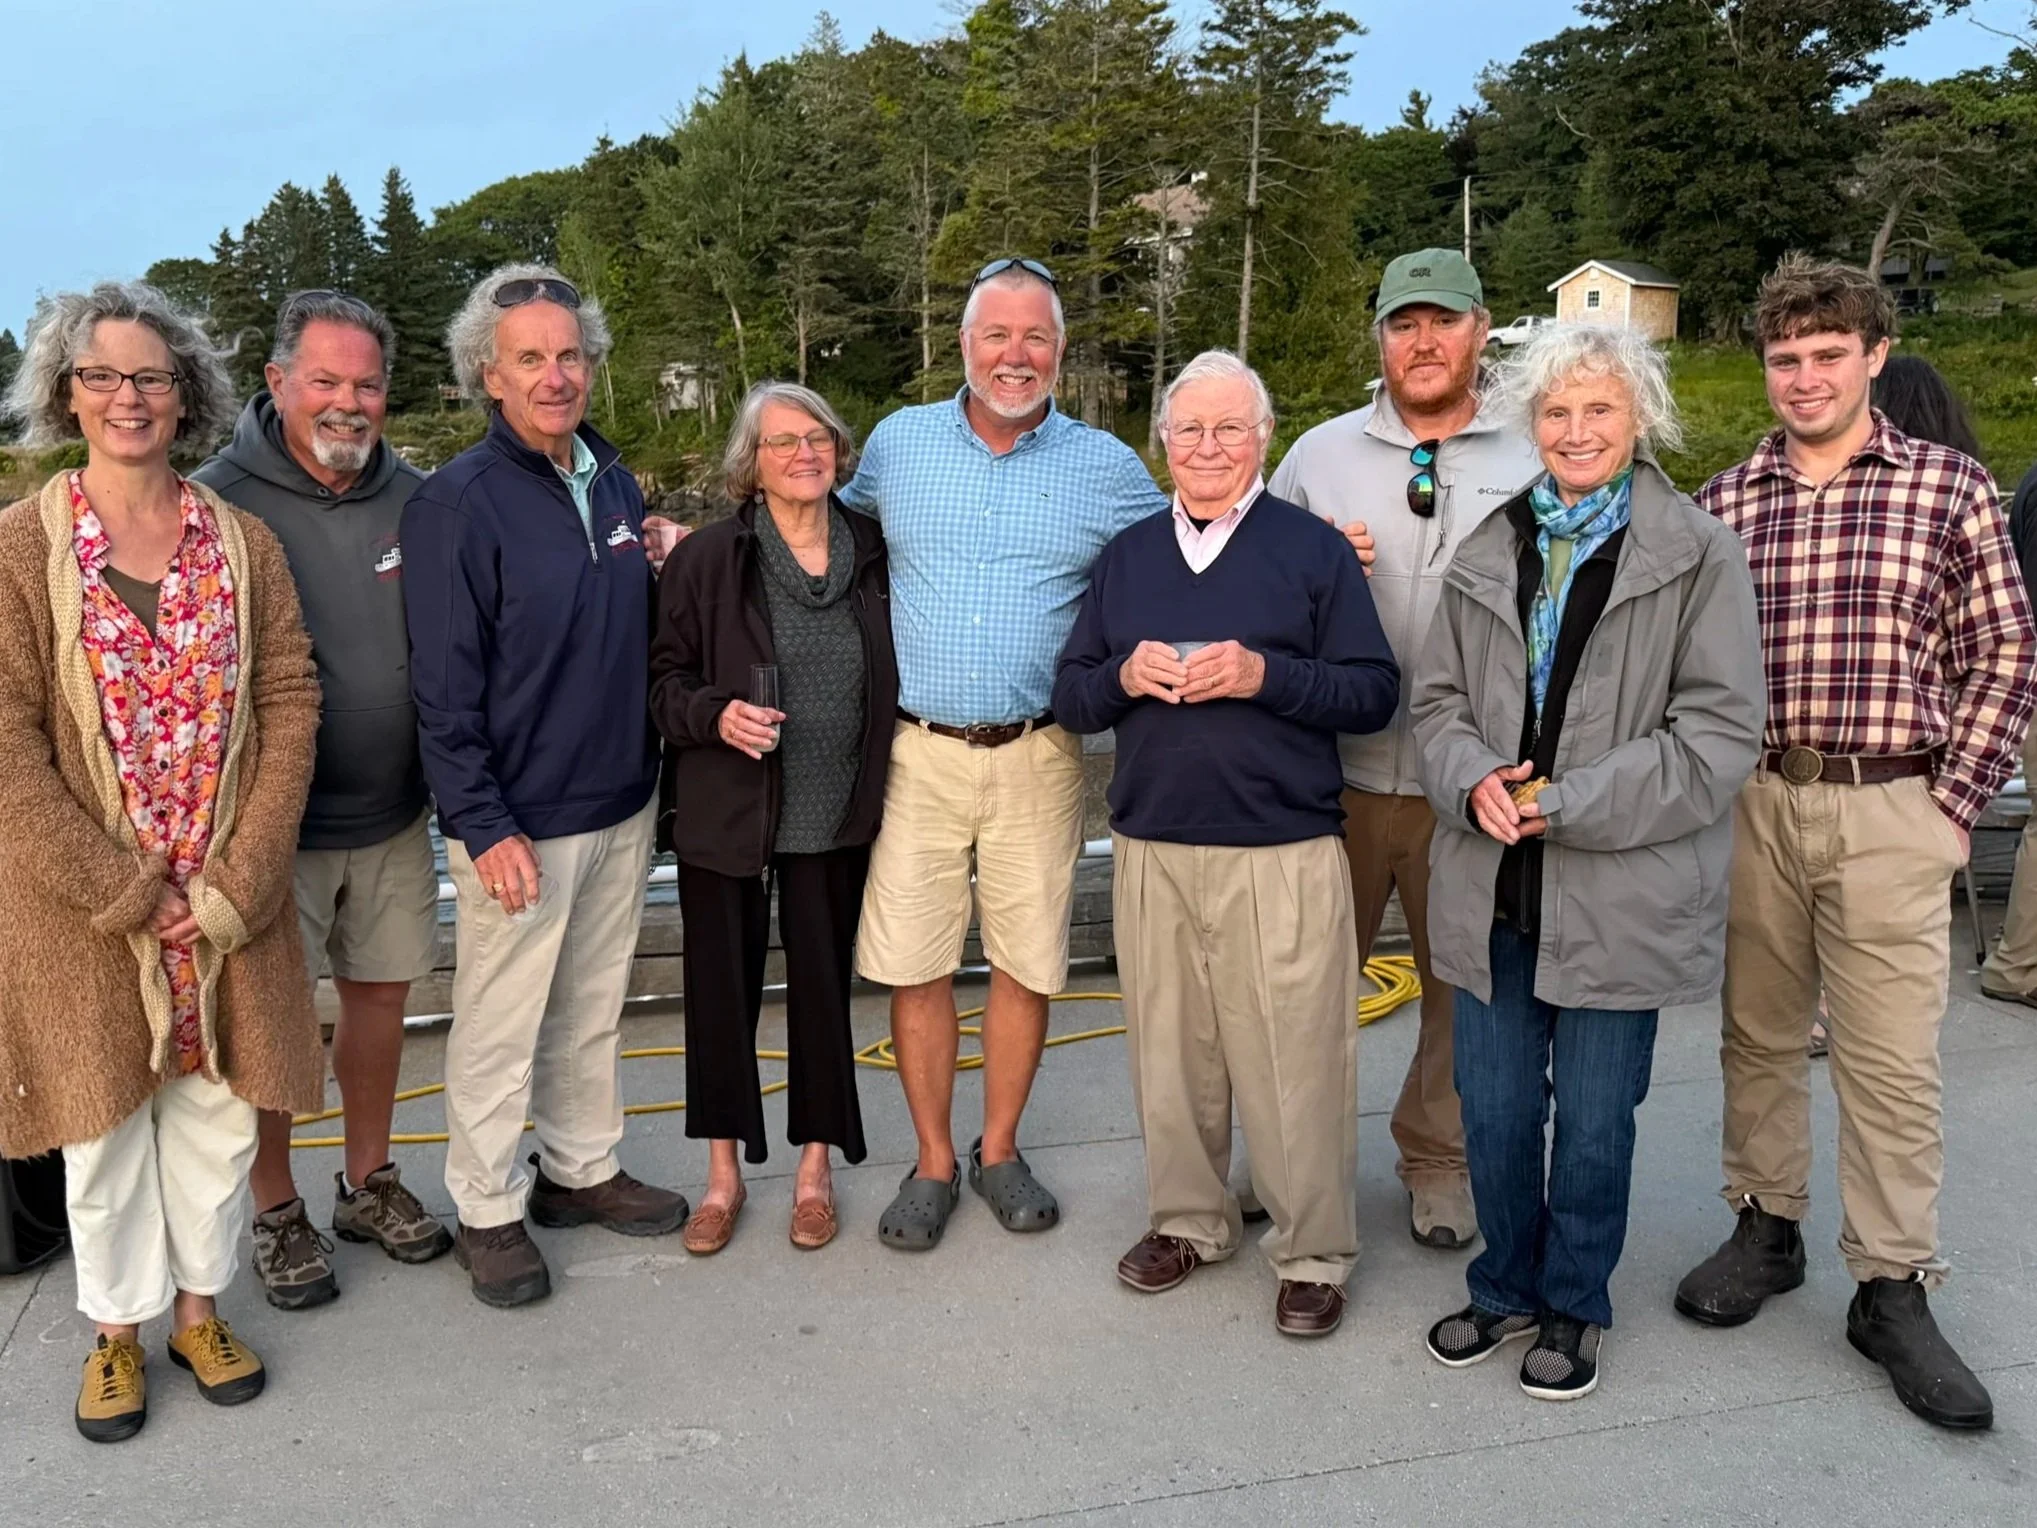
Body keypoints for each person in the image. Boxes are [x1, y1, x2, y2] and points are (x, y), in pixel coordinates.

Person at [1680, 256, 2035, 1432]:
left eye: (1829, 353)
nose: (1805, 376)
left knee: (1889, 1058)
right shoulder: (1727, 502)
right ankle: (1765, 1223)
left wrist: (1953, 808)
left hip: (1892, 802)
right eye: (1785, 357)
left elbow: (2006, 653)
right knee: (1759, 1032)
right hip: (1758, 799)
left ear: (1874, 356)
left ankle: (1891, 1283)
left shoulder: (1948, 487)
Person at [1411, 322, 1763, 1401]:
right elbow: (1435, 705)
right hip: (1492, 884)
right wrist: (1470, 776)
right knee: (1494, 1112)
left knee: (1597, 1126)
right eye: (1556, 411)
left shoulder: (1697, 552)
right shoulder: (1489, 544)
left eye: (1599, 408)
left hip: (1620, 893)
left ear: (1639, 417)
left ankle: (1573, 1300)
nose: (1575, 430)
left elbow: (1716, 739)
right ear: (1531, 425)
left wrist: (1567, 804)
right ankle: (1504, 1283)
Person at [0, 282, 326, 1441]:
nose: (128, 397)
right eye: (102, 375)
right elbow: (8, 746)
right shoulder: (20, 547)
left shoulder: (243, 542)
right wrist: (127, 892)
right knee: (102, 1132)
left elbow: (290, 698)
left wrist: (237, 883)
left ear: (186, 394)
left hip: (228, 904)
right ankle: (115, 1333)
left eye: (152, 376)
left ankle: (198, 1313)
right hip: (88, 911)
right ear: (66, 393)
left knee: (218, 1120)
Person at [1055, 351, 1399, 1337]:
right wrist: (1123, 674)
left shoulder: (1311, 550)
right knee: (1172, 1057)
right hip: (1154, 845)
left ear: (1263, 439)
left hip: (1280, 846)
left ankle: (1312, 1251)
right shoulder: (1127, 556)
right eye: (1190, 429)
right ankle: (1188, 1220)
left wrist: (1265, 675)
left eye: (1230, 428)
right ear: (1162, 442)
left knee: (1296, 1061)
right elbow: (1071, 693)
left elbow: (1374, 691)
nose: (1208, 447)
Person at [837, 257, 1169, 1250]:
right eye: (996, 335)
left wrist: (1316, 546)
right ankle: (934, 1160)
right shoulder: (896, 445)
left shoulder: (1107, 468)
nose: (1014, 355)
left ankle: (1000, 1148)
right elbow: (818, 535)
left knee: (1025, 961)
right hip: (917, 752)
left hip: (1040, 750)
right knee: (916, 965)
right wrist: (691, 545)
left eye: (1035, 337)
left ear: (1060, 351)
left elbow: (1199, 549)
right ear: (964, 344)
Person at [401, 263, 688, 1310]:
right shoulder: (455, 504)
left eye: (569, 355)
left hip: (620, 798)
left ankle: (579, 1167)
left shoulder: (613, 482)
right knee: (499, 1023)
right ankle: (486, 1207)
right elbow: (442, 687)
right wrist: (481, 822)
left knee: (593, 1006)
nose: (554, 375)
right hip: (519, 820)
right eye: (530, 358)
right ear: (490, 375)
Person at [1268, 248, 1540, 1249]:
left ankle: (1437, 1160)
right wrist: (1311, 573)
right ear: (1378, 336)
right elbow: (1254, 597)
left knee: (1460, 990)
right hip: (1327, 776)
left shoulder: (1537, 450)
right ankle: (1292, 1160)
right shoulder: (1316, 455)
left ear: (1481, 329)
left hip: (1468, 783)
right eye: (1402, 323)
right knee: (1300, 988)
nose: (1423, 342)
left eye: (1443, 321)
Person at [190, 290, 450, 1311]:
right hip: (268, 827)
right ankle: (275, 1207)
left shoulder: (420, 498)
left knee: (381, 999)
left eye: (368, 384)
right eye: (326, 381)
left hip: (394, 812)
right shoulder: (214, 504)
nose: (349, 402)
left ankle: (367, 1180)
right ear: (277, 382)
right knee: (273, 1025)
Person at [649, 382, 897, 1254]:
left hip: (836, 810)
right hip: (728, 812)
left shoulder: (874, 550)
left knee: (823, 994)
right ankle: (721, 1178)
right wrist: (714, 714)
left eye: (818, 438)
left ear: (839, 451)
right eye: (782, 442)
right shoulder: (706, 560)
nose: (804, 454)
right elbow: (662, 684)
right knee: (720, 996)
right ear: (750, 465)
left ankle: (814, 1171)